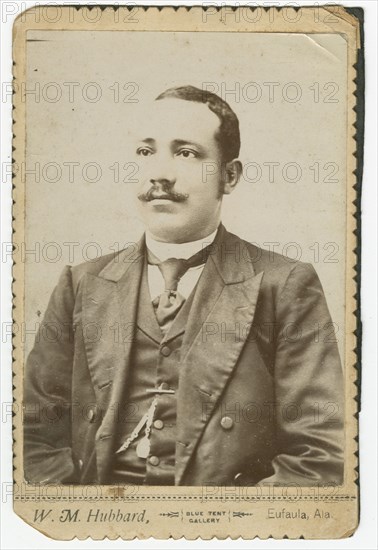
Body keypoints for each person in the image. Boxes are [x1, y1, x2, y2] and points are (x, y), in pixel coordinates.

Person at [24, 85, 344, 486]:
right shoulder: (82, 282)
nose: (160, 172)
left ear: (229, 176)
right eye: (145, 152)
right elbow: (32, 441)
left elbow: (319, 457)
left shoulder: (285, 286)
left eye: (186, 153)